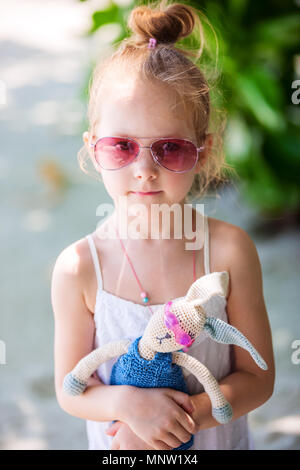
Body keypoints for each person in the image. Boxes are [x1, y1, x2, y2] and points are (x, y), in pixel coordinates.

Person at [51, 0, 275, 450]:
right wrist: (128, 406)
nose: (144, 169)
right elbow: (71, 389)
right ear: (95, 149)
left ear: (203, 151)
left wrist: (179, 417)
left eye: (170, 148)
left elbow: (258, 377)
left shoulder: (229, 252)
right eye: (122, 147)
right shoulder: (79, 267)